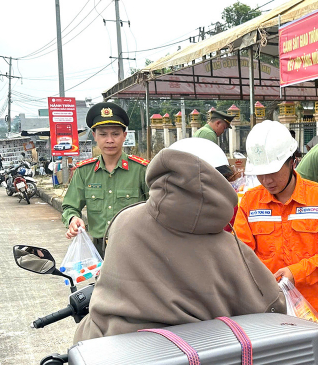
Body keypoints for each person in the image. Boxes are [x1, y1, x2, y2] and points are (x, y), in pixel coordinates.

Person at [73, 141, 286, 343]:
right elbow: (273, 306)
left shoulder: (123, 221)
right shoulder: (229, 249)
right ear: (218, 184)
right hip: (187, 353)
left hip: (103, 345)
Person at [234, 120, 318, 356]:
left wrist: (296, 272)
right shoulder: (249, 202)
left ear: (292, 161)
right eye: (260, 174)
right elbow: (240, 254)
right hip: (268, 310)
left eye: (273, 172)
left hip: (315, 309)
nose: (266, 181)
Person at [62, 102, 149, 258]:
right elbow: (70, 206)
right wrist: (73, 219)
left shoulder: (142, 170)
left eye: (115, 134)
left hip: (136, 250)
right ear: (94, 136)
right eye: (103, 134)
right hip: (99, 251)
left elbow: (158, 208)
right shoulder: (84, 171)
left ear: (124, 135)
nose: (109, 140)